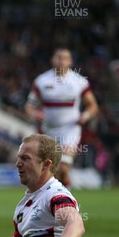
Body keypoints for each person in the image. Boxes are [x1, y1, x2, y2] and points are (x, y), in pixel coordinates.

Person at [25, 47, 99, 187]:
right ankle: (59, 199)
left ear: (70, 62)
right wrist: (35, 114)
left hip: (70, 129)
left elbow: (93, 106)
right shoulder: (41, 81)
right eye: (58, 57)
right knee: (50, 171)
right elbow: (29, 106)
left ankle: (64, 201)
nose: (61, 61)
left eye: (65, 58)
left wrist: (86, 115)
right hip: (47, 131)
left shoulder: (79, 81)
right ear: (52, 60)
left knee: (63, 167)